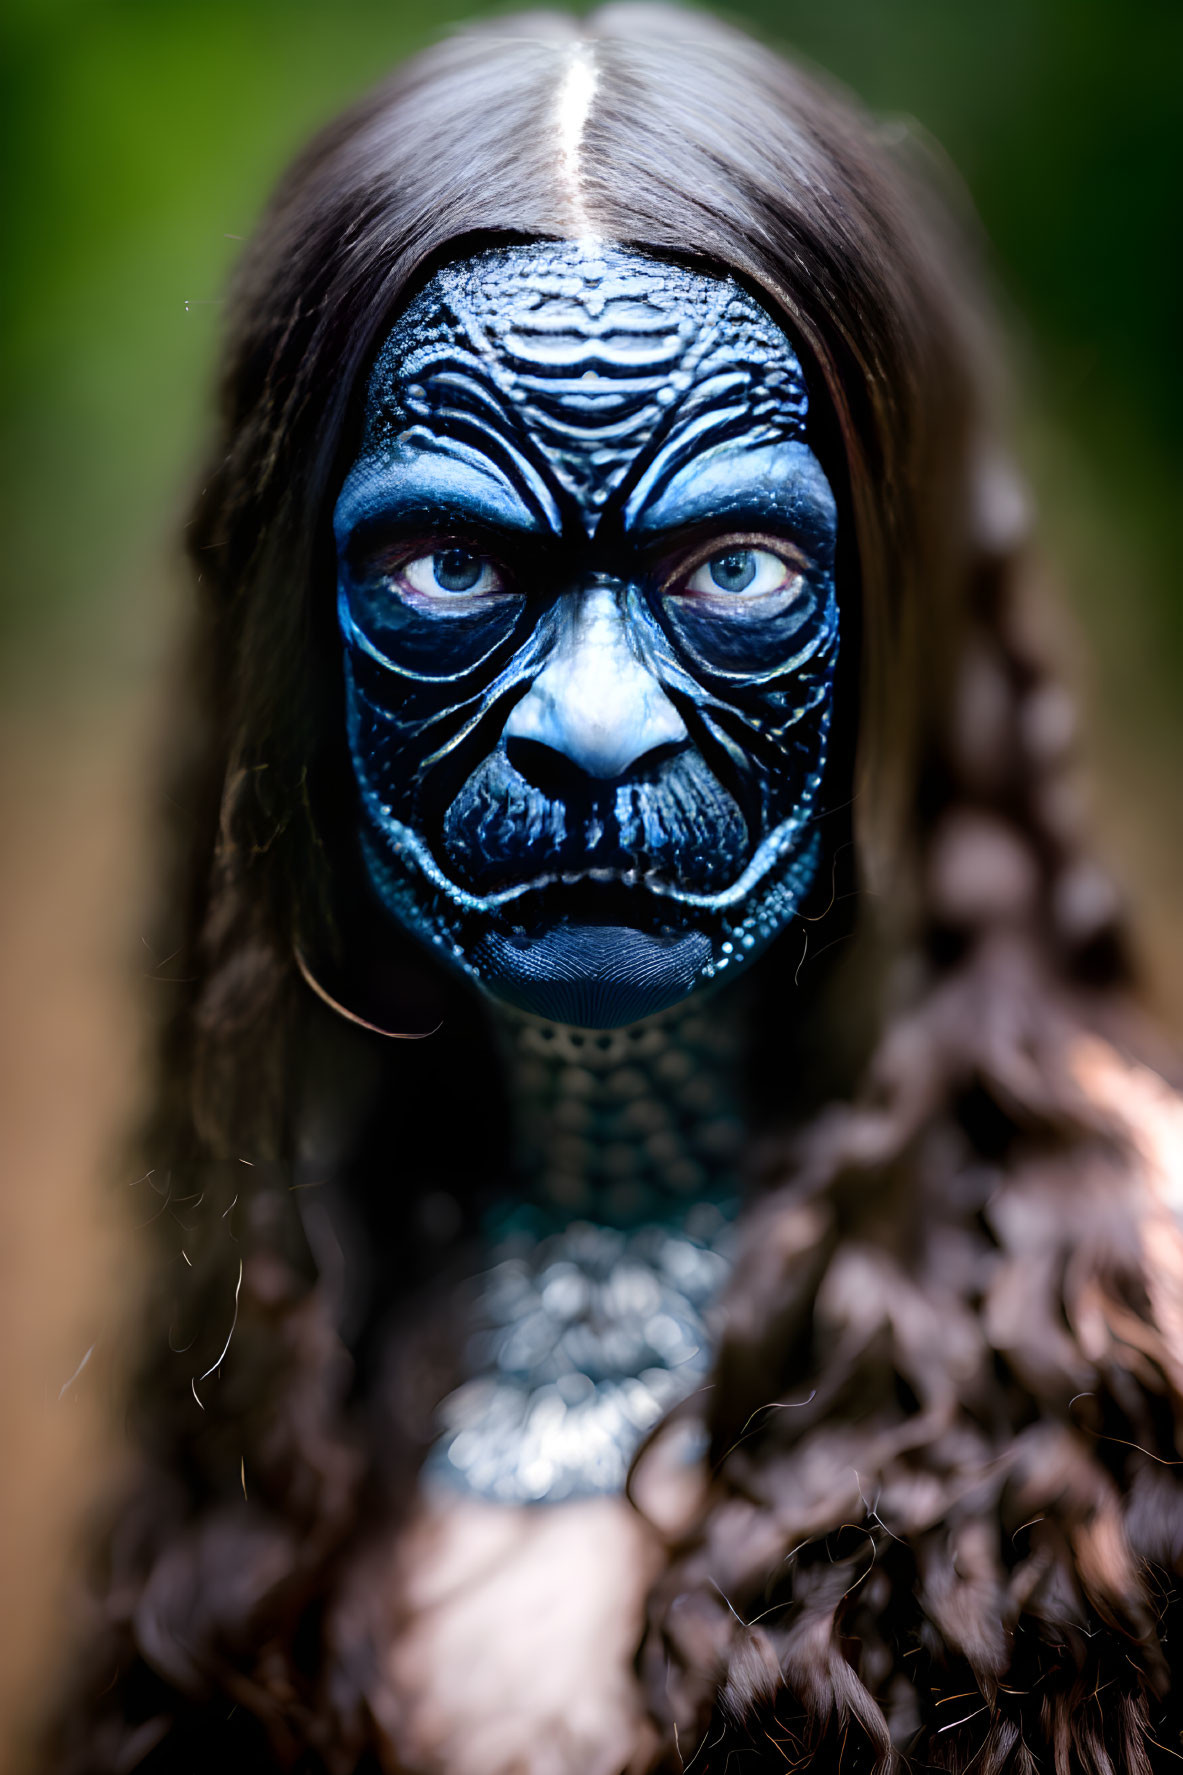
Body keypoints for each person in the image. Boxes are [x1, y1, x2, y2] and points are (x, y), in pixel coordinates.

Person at [59, 8, 1183, 1772]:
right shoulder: (299, 1280)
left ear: (897, 616)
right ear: (292, 641)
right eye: (453, 561)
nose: (596, 722)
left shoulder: (1146, 1298)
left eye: (732, 566)